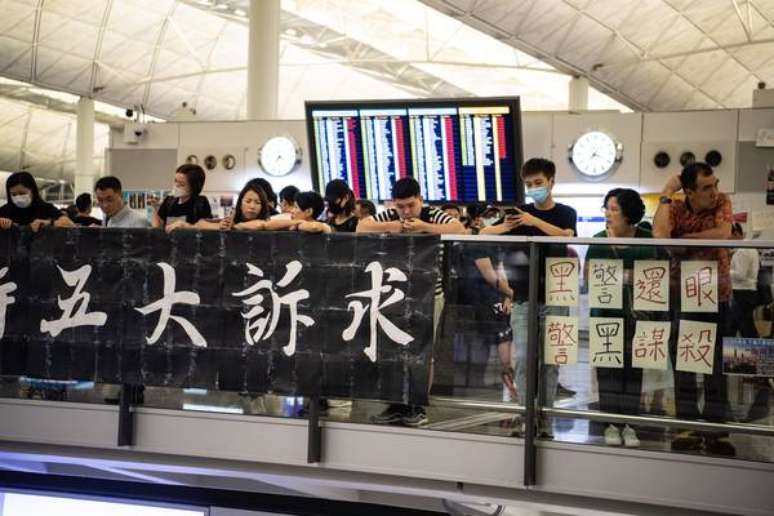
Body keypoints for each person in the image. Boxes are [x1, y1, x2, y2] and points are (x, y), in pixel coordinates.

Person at [481, 157, 577, 437]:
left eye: (538, 183)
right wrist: (510, 226)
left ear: (551, 183)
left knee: (549, 363)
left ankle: (545, 421)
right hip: (523, 298)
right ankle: (526, 417)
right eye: (529, 184)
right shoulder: (518, 213)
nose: (534, 188)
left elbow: (564, 236)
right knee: (523, 359)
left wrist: (533, 220)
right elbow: (485, 233)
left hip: (557, 297)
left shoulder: (565, 212)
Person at [358, 177, 465, 426]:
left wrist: (425, 227)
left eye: (411, 205)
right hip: (396, 294)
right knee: (393, 351)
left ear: (421, 200)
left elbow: (460, 229)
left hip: (430, 293)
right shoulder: (391, 217)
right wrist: (395, 226)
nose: (406, 211)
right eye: (401, 206)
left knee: (423, 352)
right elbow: (361, 227)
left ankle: (417, 406)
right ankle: (396, 403)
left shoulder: (433, 215)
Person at [653, 162, 735, 456]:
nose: (714, 192)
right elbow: (661, 237)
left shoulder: (723, 201)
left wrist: (683, 241)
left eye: (715, 184)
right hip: (683, 294)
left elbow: (723, 234)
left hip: (717, 292)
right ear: (688, 191)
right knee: (686, 361)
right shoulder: (673, 207)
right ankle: (686, 425)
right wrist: (665, 192)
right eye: (706, 188)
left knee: (715, 365)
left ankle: (716, 431)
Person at [586, 188, 658, 448]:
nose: (607, 213)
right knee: (607, 372)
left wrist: (619, 276)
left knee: (633, 371)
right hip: (605, 315)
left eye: (614, 209)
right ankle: (610, 424)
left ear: (629, 214)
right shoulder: (598, 240)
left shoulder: (649, 240)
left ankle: (630, 424)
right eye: (606, 208)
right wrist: (628, 276)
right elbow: (590, 278)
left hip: (639, 318)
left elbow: (656, 277)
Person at [0, 171, 72, 232]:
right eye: (13, 194)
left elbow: (69, 223)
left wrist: (49, 223)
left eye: (22, 193)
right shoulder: (5, 210)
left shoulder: (45, 208)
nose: (18, 197)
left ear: (32, 191)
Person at [151, 164, 212, 232]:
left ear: (193, 187)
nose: (176, 186)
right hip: (169, 241)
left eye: (182, 184)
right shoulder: (169, 201)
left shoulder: (200, 203)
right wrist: (155, 208)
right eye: (175, 181)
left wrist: (186, 226)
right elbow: (157, 227)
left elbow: (208, 229)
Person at [195, 181, 271, 231]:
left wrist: (236, 227)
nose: (252, 206)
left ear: (263, 206)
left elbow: (264, 224)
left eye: (258, 202)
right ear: (240, 203)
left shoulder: (268, 222)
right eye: (248, 201)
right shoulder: (230, 221)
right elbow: (200, 223)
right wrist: (219, 226)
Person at [729, 223, 760, 339]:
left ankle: (754, 355)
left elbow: (740, 275)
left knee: (736, 326)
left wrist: (725, 272)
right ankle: (756, 355)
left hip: (743, 292)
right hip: (748, 292)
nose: (728, 240)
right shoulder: (748, 247)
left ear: (736, 233)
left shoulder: (743, 250)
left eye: (729, 236)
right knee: (745, 326)